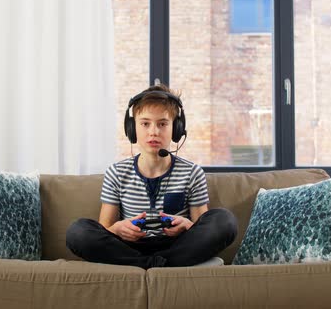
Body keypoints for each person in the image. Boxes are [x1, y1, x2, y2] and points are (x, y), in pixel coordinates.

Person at [66, 83, 237, 269]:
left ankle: (148, 266)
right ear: (132, 129)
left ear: (177, 129)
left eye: (162, 124)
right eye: (145, 123)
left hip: (178, 246)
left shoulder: (192, 172)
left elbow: (201, 226)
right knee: (78, 232)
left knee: (224, 220)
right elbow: (105, 229)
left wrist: (187, 225)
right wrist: (118, 229)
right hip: (129, 248)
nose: (153, 131)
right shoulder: (116, 172)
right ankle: (159, 266)